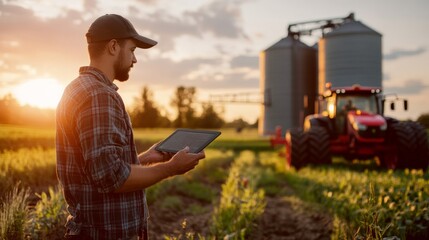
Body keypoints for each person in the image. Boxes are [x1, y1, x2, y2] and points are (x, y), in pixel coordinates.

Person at [56, 14, 205, 240]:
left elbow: (98, 167)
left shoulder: (77, 88)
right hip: (106, 233)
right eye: (132, 50)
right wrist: (172, 168)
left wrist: (145, 158)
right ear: (114, 46)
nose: (135, 59)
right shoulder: (100, 95)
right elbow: (110, 176)